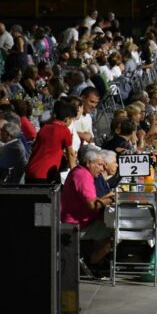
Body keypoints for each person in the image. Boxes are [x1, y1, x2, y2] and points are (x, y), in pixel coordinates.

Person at [60, 145, 114, 275]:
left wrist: (109, 196)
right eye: (99, 165)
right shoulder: (83, 176)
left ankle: (96, 259)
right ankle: (90, 262)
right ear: (89, 163)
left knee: (109, 224)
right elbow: (93, 205)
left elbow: (92, 200)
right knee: (116, 231)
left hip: (82, 221)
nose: (102, 169)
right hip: (77, 225)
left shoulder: (81, 172)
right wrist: (112, 199)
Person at [25, 98, 77, 184]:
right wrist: (76, 174)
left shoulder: (44, 128)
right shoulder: (64, 130)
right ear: (67, 119)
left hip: (30, 171)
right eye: (71, 119)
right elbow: (71, 154)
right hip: (45, 174)